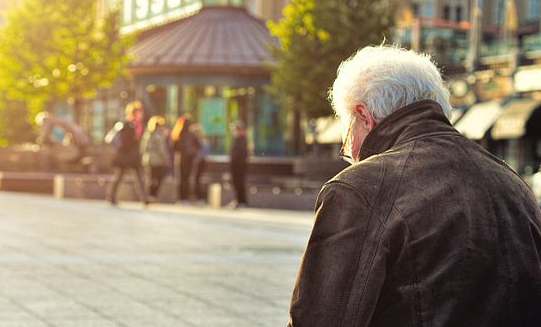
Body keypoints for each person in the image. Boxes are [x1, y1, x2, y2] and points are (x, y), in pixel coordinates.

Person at [287, 46, 541, 326]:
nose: (351, 152)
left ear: (363, 116)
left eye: (348, 134)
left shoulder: (360, 189)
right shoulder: (512, 184)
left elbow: (320, 319)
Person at [105, 101, 147, 205]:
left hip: (132, 156)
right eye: (139, 112)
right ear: (134, 113)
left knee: (138, 177)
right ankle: (111, 197)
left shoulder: (138, 125)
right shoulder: (127, 124)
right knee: (119, 176)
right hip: (125, 156)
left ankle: (144, 198)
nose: (141, 114)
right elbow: (125, 141)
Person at [171, 114, 200, 203]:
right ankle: (186, 198)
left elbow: (173, 148)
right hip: (189, 159)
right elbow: (198, 146)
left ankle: (181, 197)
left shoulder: (177, 134)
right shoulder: (191, 134)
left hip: (180, 159)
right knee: (187, 178)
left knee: (181, 178)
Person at [141, 115, 170, 203]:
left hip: (148, 160)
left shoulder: (147, 134)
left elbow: (143, 148)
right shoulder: (158, 135)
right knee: (157, 178)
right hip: (158, 160)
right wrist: (166, 158)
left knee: (151, 178)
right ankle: (152, 196)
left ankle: (149, 196)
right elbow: (162, 149)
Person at [229, 121, 248, 208]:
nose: (233, 132)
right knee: (236, 183)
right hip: (236, 165)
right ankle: (238, 200)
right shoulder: (237, 139)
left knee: (239, 183)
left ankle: (241, 201)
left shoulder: (242, 140)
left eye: (235, 130)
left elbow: (241, 154)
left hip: (239, 166)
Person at [191, 123, 209, 201]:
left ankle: (199, 196)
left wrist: (197, 159)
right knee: (196, 179)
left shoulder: (201, 141)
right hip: (199, 161)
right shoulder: (202, 140)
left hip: (200, 162)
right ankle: (197, 196)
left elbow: (204, 152)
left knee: (198, 179)